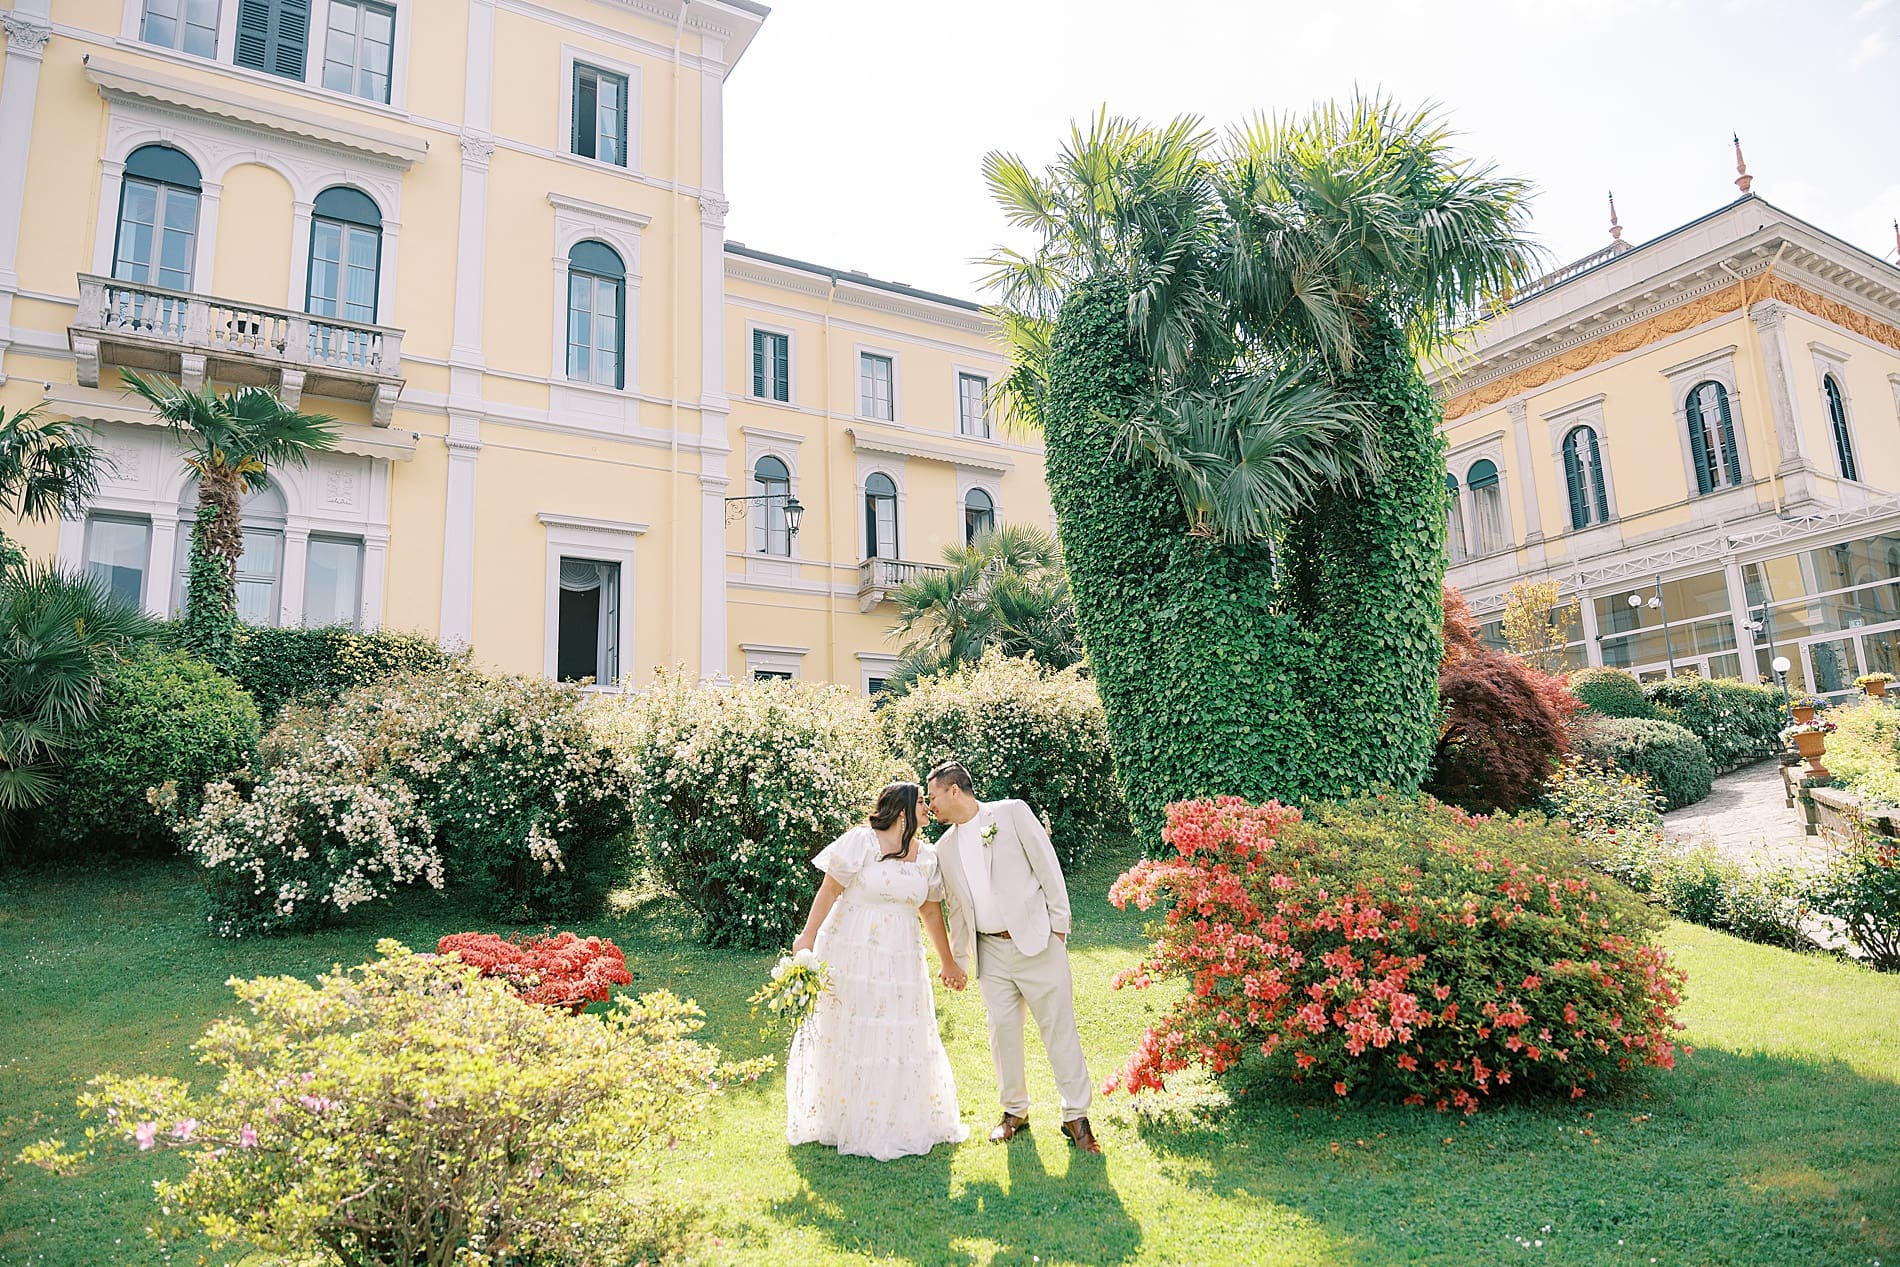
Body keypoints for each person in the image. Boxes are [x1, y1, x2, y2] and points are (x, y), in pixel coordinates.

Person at [785, 781, 970, 1161]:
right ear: (902, 810)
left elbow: (931, 912)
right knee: (852, 1029)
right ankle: (843, 1116)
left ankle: (892, 1118)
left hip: (901, 957)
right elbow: (829, 889)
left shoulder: (927, 857)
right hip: (851, 951)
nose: (928, 808)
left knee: (896, 1030)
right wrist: (807, 936)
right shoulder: (861, 842)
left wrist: (948, 960)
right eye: (922, 802)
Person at [925, 760, 1102, 1154]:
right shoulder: (944, 848)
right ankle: (1014, 1112)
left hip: (1038, 943)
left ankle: (1076, 1115)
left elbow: (1048, 868)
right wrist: (958, 960)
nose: (929, 803)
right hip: (991, 953)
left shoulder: (1010, 813)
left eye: (933, 795)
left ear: (954, 790)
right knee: (1002, 1032)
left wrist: (1058, 929)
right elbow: (956, 909)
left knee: (1059, 1028)